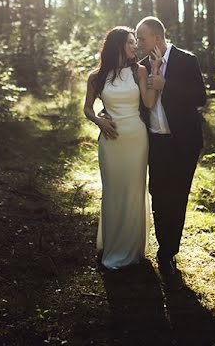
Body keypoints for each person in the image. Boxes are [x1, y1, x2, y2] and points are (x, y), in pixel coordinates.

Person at [83, 27, 163, 270]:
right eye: (130, 42)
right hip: (110, 140)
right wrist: (100, 120)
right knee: (113, 192)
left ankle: (132, 250)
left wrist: (156, 70)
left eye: (135, 42)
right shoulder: (96, 76)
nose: (134, 46)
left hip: (136, 139)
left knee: (134, 191)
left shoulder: (139, 70)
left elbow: (148, 102)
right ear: (117, 44)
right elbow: (87, 108)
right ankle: (113, 246)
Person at [135, 16, 207, 277]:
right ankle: (165, 246)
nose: (139, 43)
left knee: (177, 198)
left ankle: (167, 253)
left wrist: (168, 87)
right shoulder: (142, 67)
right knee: (158, 193)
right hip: (155, 142)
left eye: (141, 38)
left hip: (184, 143)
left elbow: (200, 97)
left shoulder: (187, 60)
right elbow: (137, 104)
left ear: (157, 37)